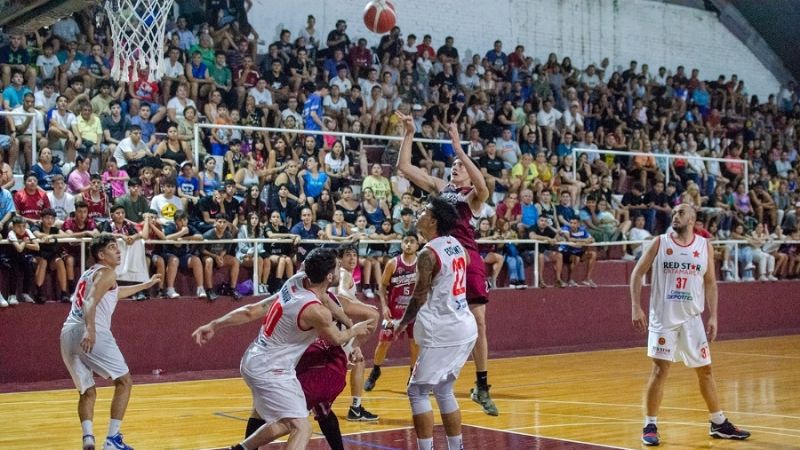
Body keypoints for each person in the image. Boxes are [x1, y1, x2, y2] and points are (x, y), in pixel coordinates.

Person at [191, 248, 374, 450]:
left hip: (255, 358)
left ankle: (239, 449)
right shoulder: (315, 311)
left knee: (283, 421)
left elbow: (253, 310)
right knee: (302, 429)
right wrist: (355, 331)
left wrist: (215, 324)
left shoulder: (296, 281)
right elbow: (335, 338)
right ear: (329, 276)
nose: (341, 267)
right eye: (337, 265)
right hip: (272, 370)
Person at [396, 111, 498, 415]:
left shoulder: (471, 198)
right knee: (428, 311)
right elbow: (404, 167)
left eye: (460, 167)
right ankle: (431, 373)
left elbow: (483, 188)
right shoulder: (442, 189)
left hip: (465, 257)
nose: (455, 169)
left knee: (479, 322)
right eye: (452, 166)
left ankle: (481, 385)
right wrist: (409, 133)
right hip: (438, 255)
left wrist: (458, 149)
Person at [630, 204, 751, 446]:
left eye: (681, 212)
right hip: (663, 318)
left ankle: (718, 423)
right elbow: (637, 273)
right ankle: (650, 424)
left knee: (705, 370)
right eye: (674, 213)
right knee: (660, 370)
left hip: (692, 319)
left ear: (693, 219)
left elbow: (710, 284)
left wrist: (714, 316)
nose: (675, 216)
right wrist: (636, 306)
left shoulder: (703, 245)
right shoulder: (660, 242)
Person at [387, 196, 477, 450]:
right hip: (464, 326)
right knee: (444, 389)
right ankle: (455, 447)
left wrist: (401, 323)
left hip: (444, 330)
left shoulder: (427, 253)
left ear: (434, 220)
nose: (419, 213)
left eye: (424, 211)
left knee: (416, 391)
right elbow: (467, 263)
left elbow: (419, 296)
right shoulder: (455, 244)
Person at [60, 234, 161, 450]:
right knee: (124, 382)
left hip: (67, 333)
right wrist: (90, 328)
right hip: (88, 331)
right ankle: (112, 440)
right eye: (113, 247)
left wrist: (146, 285)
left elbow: (113, 293)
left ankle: (88, 438)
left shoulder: (89, 274)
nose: (119, 251)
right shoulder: (107, 272)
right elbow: (90, 301)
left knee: (87, 391)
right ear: (101, 254)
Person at [365, 232, 420, 392]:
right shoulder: (393, 263)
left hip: (414, 312)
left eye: (412, 241)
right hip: (394, 312)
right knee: (383, 343)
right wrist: (385, 306)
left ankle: (413, 376)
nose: (408, 244)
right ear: (401, 244)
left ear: (417, 245)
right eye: (406, 241)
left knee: (415, 345)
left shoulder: (421, 264)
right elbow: (382, 286)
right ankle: (375, 370)